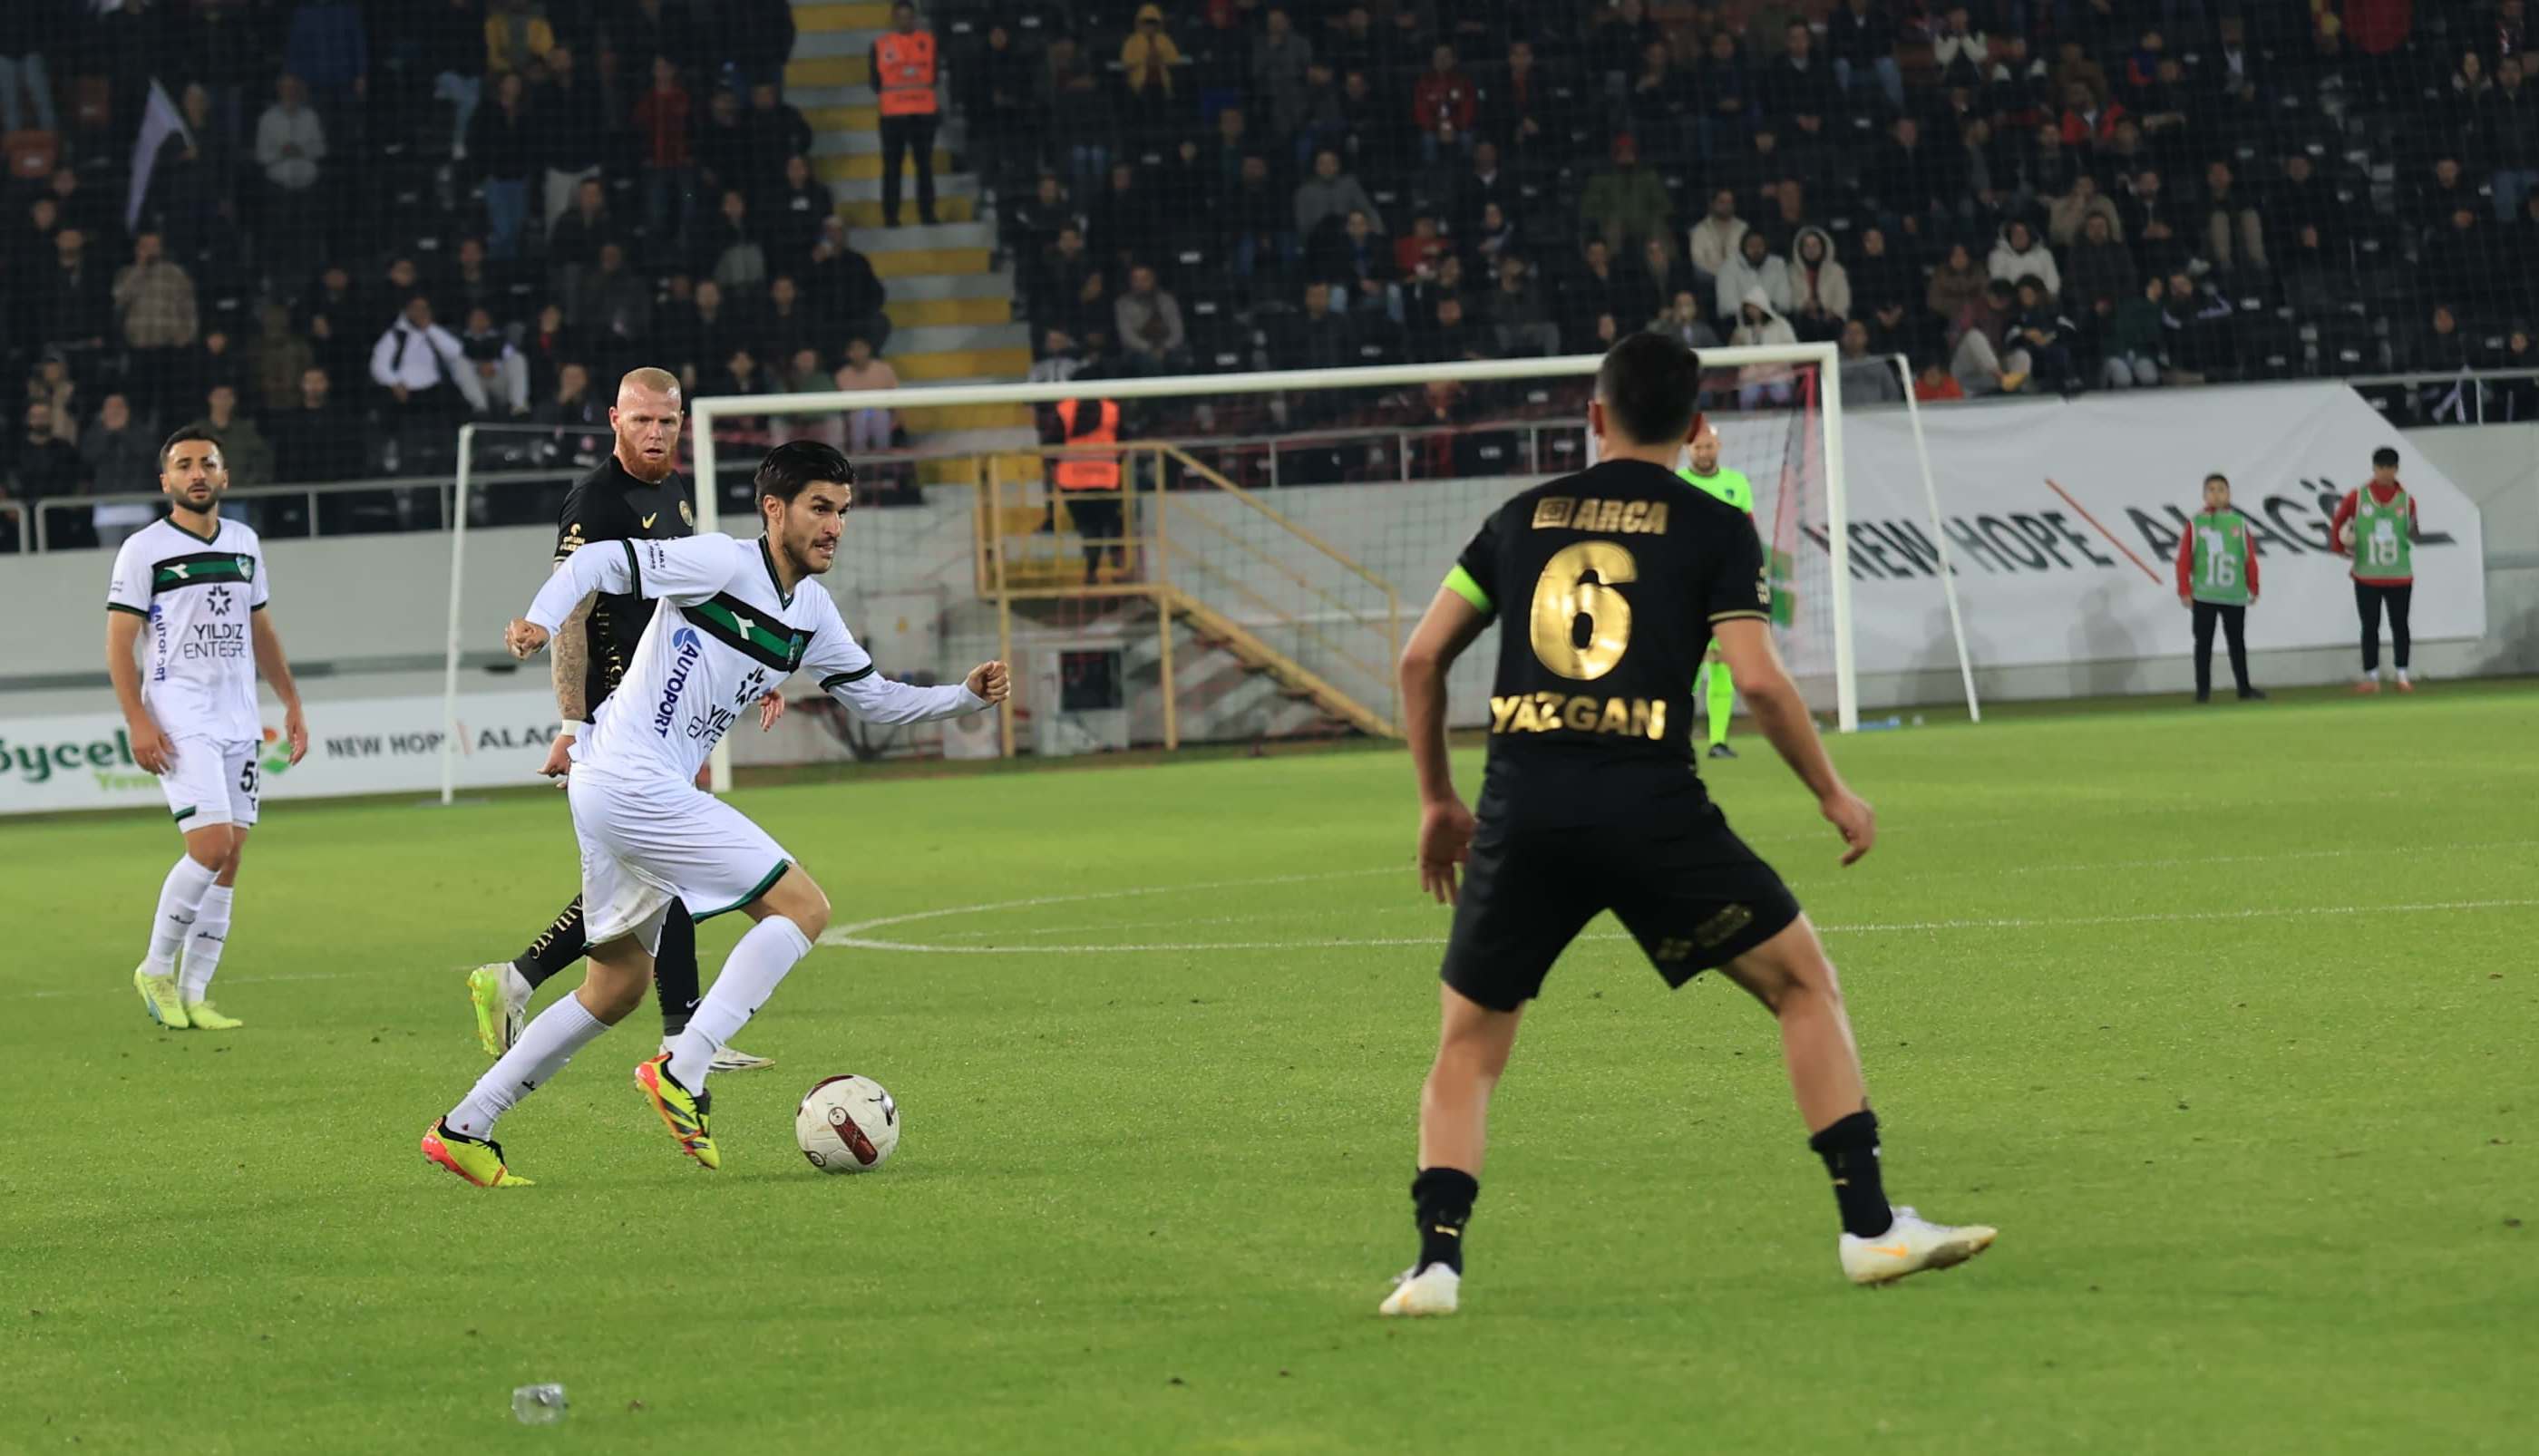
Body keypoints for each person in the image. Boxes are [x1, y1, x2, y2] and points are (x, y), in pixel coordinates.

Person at [1380, 334, 1993, 1316]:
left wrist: (1436, 801)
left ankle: (1435, 1265)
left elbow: (1418, 662)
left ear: (1594, 417)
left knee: (1469, 1045)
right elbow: (1754, 678)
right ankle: (1870, 1227)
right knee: (1802, 984)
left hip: (1523, 810)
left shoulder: (1517, 517)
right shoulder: (1714, 527)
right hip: (1650, 810)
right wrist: (1831, 793)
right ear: (1697, 427)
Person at [423, 441, 1010, 1185]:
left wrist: (961, 696)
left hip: (615, 785)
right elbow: (598, 563)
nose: (834, 527)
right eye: (819, 509)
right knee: (802, 908)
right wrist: (541, 620)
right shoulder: (721, 563)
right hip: (634, 779)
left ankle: (465, 1127)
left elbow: (875, 697)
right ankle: (684, 1069)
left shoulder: (813, 613)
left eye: (843, 512)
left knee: (615, 987)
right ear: (775, 509)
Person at [462, 368, 783, 1073]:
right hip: (623, 720)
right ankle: (678, 1036)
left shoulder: (674, 494)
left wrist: (753, 668)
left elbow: (699, 600)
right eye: (642, 421)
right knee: (664, 873)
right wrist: (573, 726)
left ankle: (523, 982)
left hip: (671, 710)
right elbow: (572, 614)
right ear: (614, 419)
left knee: (649, 883)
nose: (656, 434)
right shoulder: (595, 500)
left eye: (667, 422)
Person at [107, 428, 310, 1034]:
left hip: (238, 715)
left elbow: (260, 629)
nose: (197, 474)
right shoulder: (144, 550)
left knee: (232, 855)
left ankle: (196, 993)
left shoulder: (244, 542)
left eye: (208, 464)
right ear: (164, 481)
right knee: (210, 845)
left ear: (224, 476)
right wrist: (138, 720)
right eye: (184, 465)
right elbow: (120, 645)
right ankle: (155, 967)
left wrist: (291, 702)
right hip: (179, 713)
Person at [1678, 422, 1756, 759]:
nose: (1704, 453)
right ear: (1687, 449)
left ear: (1719, 446)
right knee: (1685, 668)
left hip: (1724, 586)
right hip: (1684, 588)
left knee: (1722, 665)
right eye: (1698, 447)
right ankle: (1676, 740)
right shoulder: (1677, 483)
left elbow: (1748, 534)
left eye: (1709, 446)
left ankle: (1718, 741)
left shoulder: (1736, 484)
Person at [2329, 445, 2422, 694]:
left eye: (2390, 467)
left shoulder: (2406, 500)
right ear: (2374, 468)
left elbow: (2413, 531)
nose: (2385, 472)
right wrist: (2341, 547)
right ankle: (2372, 677)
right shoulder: (2357, 497)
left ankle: (2402, 675)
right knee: (2369, 626)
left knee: (2400, 625)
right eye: (2381, 467)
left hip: (2399, 574)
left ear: (2396, 469)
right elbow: (2338, 521)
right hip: (2367, 575)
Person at [2174, 472, 2265, 703]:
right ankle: (2202, 691)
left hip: (2233, 594)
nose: (2216, 494)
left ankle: (2244, 689)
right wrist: (2184, 590)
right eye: (2211, 490)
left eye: (2221, 490)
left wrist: (2253, 586)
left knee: (2237, 643)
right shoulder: (2196, 524)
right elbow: (2184, 559)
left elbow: (2248, 557)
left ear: (2229, 494)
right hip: (2204, 594)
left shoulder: (2238, 523)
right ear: (2205, 495)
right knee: (2203, 644)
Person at [871, 2, 941, 227]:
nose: (905, 21)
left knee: (925, 167)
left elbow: (936, 75)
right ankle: (891, 216)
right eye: (900, 17)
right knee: (892, 168)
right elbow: (875, 81)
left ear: (915, 18)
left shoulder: (929, 42)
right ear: (893, 19)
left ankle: (927, 214)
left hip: (922, 114)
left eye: (908, 16)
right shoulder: (880, 45)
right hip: (893, 116)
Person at [1054, 394, 1124, 583]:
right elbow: (1124, 441)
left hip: (1073, 480)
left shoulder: (1064, 408)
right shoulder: (1112, 409)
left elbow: (1052, 442)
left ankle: (1092, 570)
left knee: (1089, 528)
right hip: (1105, 477)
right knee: (1110, 523)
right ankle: (1117, 565)